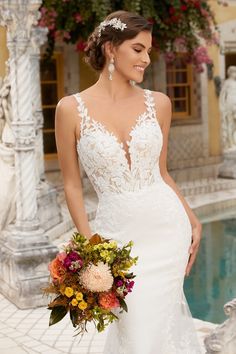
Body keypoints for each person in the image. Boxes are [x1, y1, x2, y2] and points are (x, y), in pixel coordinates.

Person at [55, 10, 202, 354]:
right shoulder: (70, 110)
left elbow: (162, 173)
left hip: (168, 232)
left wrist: (193, 219)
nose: (147, 59)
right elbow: (72, 185)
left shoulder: (160, 104)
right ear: (110, 48)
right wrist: (90, 245)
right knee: (135, 334)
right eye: (138, 50)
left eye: (149, 51)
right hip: (117, 240)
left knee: (162, 329)